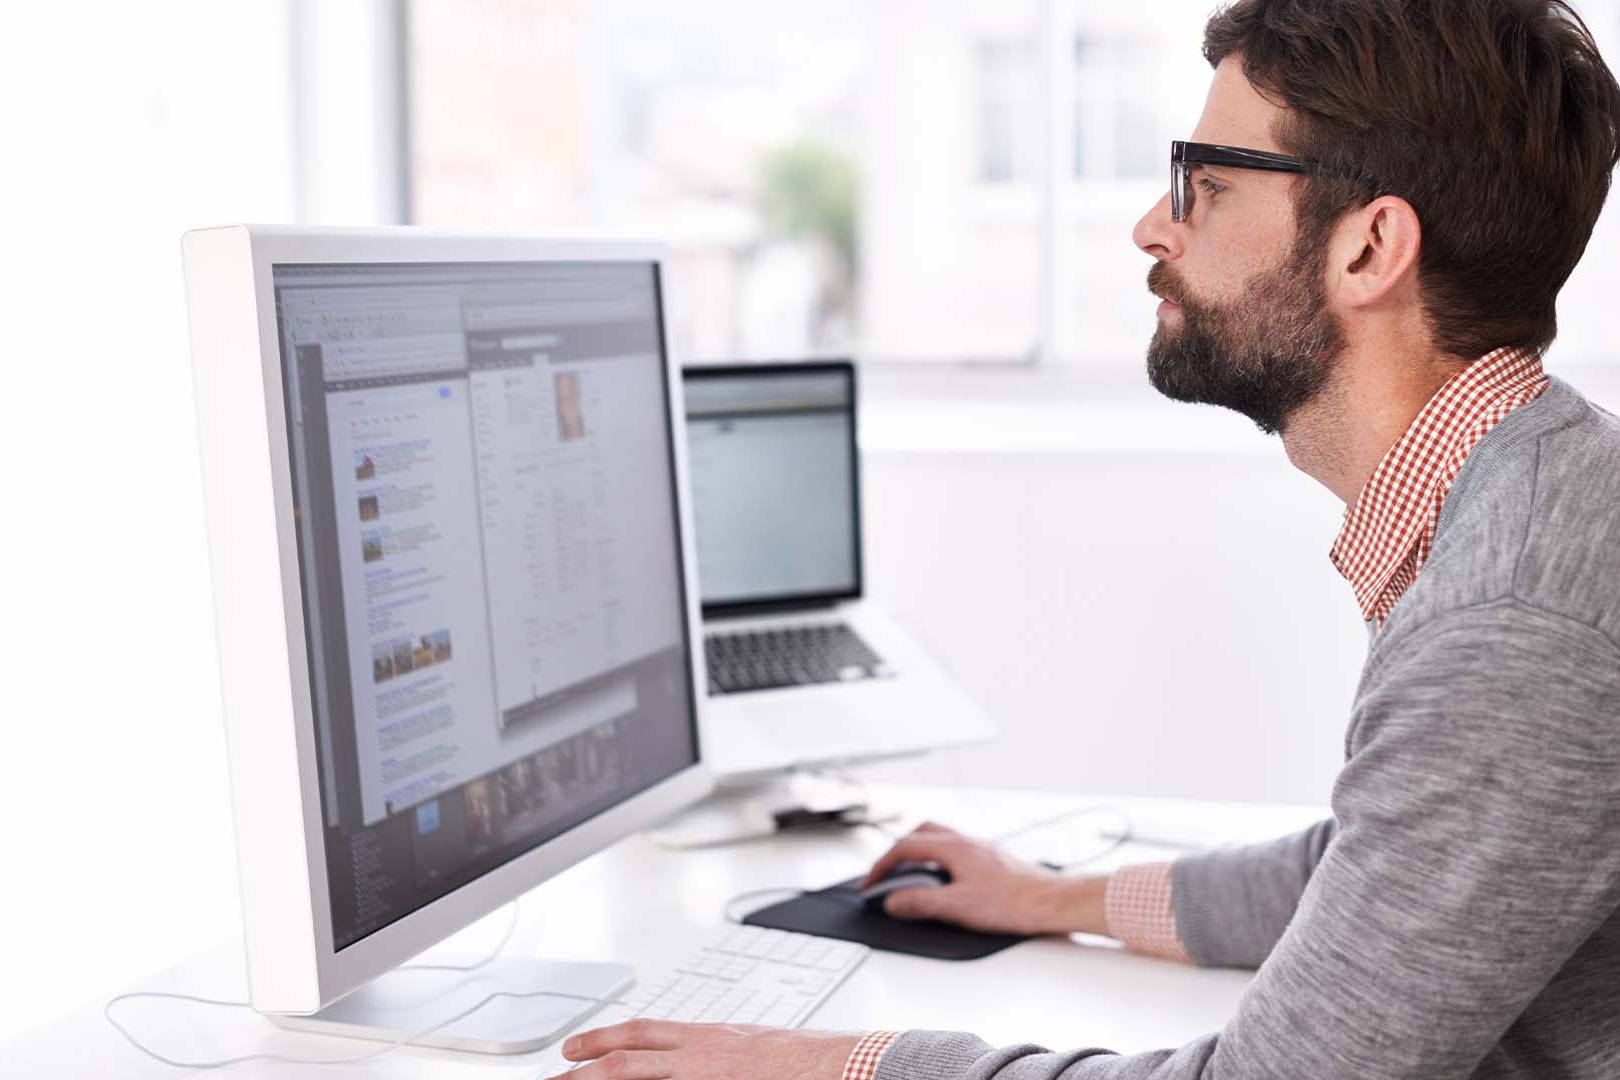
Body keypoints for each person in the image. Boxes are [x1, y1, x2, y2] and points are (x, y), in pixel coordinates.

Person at [554, 1, 1620, 1076]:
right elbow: (1376, 875)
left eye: (1207, 186)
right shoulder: (1532, 490)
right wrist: (1044, 897)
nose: (1155, 229)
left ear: (1371, 247)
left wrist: (825, 1064)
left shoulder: (1513, 625)